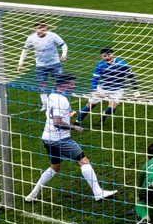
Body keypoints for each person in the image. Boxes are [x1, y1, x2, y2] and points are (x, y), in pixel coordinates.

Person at [24, 74, 116, 203]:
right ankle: (98, 193)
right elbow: (57, 122)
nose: (74, 86)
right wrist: (74, 127)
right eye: (72, 84)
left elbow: (53, 116)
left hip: (47, 138)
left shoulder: (52, 95)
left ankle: (32, 194)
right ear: (64, 85)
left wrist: (67, 115)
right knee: (83, 161)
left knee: (55, 167)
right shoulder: (62, 100)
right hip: (60, 139)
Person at [76, 48, 140, 126]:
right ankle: (77, 121)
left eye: (109, 54)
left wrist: (136, 90)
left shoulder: (121, 64)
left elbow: (131, 76)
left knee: (112, 109)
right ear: (101, 57)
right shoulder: (100, 65)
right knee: (90, 105)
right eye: (105, 55)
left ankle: (104, 116)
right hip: (103, 89)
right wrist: (95, 90)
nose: (107, 57)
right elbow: (95, 79)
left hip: (117, 89)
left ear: (112, 55)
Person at [17, 22, 68, 110]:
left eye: (43, 27)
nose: (42, 29)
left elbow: (63, 45)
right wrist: (20, 63)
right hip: (40, 65)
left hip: (54, 63)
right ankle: (45, 105)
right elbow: (25, 50)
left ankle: (57, 102)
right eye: (39, 28)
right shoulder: (31, 38)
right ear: (35, 29)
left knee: (59, 83)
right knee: (41, 85)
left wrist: (64, 55)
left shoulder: (53, 36)